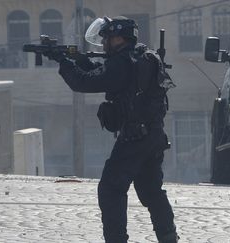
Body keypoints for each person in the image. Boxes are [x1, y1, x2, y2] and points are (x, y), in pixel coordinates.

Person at [45, 16, 178, 242]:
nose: (104, 42)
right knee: (151, 191)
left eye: (107, 37)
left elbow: (85, 82)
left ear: (118, 38)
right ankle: (168, 237)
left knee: (110, 190)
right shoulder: (142, 57)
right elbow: (105, 75)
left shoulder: (123, 63)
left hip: (135, 139)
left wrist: (64, 62)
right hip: (153, 136)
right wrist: (77, 58)